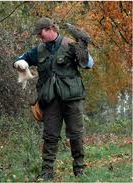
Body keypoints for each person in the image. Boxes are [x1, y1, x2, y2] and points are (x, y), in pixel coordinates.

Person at [13, 17, 94, 180]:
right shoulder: (38, 50)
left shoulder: (70, 44)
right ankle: (47, 171)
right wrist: (20, 64)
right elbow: (19, 60)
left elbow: (89, 64)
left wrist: (83, 49)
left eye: (41, 33)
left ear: (50, 29)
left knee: (76, 134)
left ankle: (79, 169)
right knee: (49, 136)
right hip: (50, 100)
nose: (39, 37)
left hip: (72, 98)